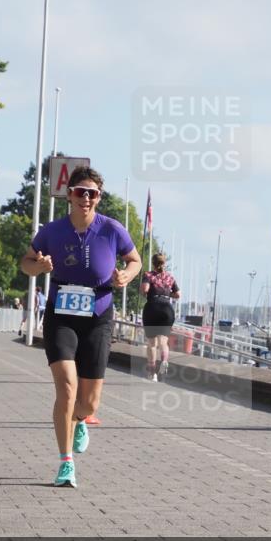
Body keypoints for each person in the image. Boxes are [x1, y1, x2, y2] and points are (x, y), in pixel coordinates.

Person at [20, 167, 141, 488]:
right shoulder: (52, 231)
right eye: (80, 192)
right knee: (67, 388)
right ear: (69, 195)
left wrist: (126, 276)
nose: (86, 198)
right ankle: (65, 463)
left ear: (99, 198)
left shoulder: (112, 229)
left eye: (92, 193)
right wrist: (39, 266)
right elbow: (26, 263)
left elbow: (135, 260)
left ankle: (80, 419)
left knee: (89, 403)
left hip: (98, 316)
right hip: (61, 314)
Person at [140, 253, 180, 381]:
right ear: (164, 263)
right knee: (163, 342)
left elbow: (145, 289)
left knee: (152, 343)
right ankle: (164, 361)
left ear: (153, 263)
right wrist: (167, 295)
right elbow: (178, 294)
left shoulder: (148, 275)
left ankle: (152, 373)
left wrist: (143, 291)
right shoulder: (170, 277)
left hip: (152, 308)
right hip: (167, 309)